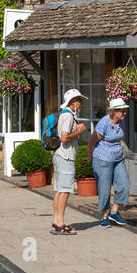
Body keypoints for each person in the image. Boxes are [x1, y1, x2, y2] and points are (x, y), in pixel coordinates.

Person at [51, 89, 87, 236]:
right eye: (79, 100)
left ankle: (56, 222)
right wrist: (80, 130)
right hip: (66, 156)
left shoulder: (65, 114)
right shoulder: (68, 116)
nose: (81, 103)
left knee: (60, 190)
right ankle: (59, 223)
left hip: (60, 155)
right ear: (73, 101)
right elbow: (64, 138)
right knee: (65, 191)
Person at [91, 97, 130, 227]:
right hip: (102, 159)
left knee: (124, 184)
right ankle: (103, 216)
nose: (125, 113)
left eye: (125, 111)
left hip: (118, 159)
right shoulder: (104, 123)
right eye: (122, 111)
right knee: (104, 189)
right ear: (114, 111)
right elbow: (92, 141)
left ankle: (114, 212)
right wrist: (90, 157)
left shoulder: (120, 122)